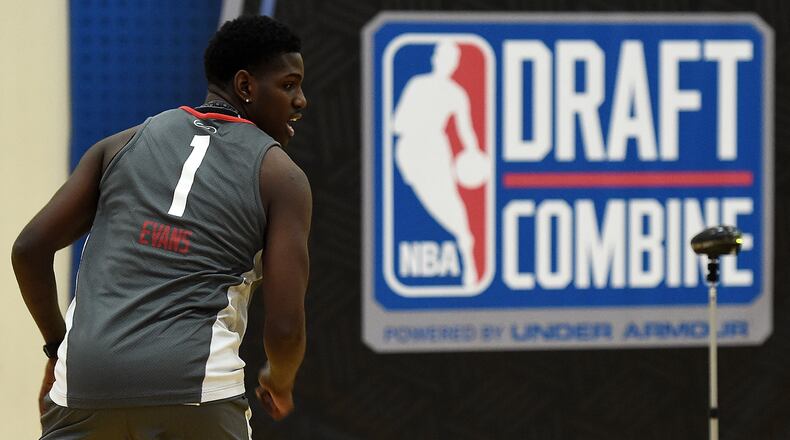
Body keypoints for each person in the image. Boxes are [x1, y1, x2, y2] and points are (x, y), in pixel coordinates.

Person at [11, 15, 311, 439]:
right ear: (245, 87)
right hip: (198, 392)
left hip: (85, 387)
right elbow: (284, 327)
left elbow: (29, 249)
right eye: (289, 84)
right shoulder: (282, 177)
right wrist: (279, 380)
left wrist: (59, 347)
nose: (301, 100)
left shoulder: (120, 144)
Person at [392, 40, 489, 287]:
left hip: (436, 149)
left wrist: (474, 151)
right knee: (432, 203)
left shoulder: (456, 93)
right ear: (435, 59)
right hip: (411, 150)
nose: (444, 62)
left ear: (454, 64)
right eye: (441, 56)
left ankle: (466, 249)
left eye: (449, 59)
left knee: (450, 204)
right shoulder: (417, 85)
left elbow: (466, 130)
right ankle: (464, 241)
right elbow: (397, 124)